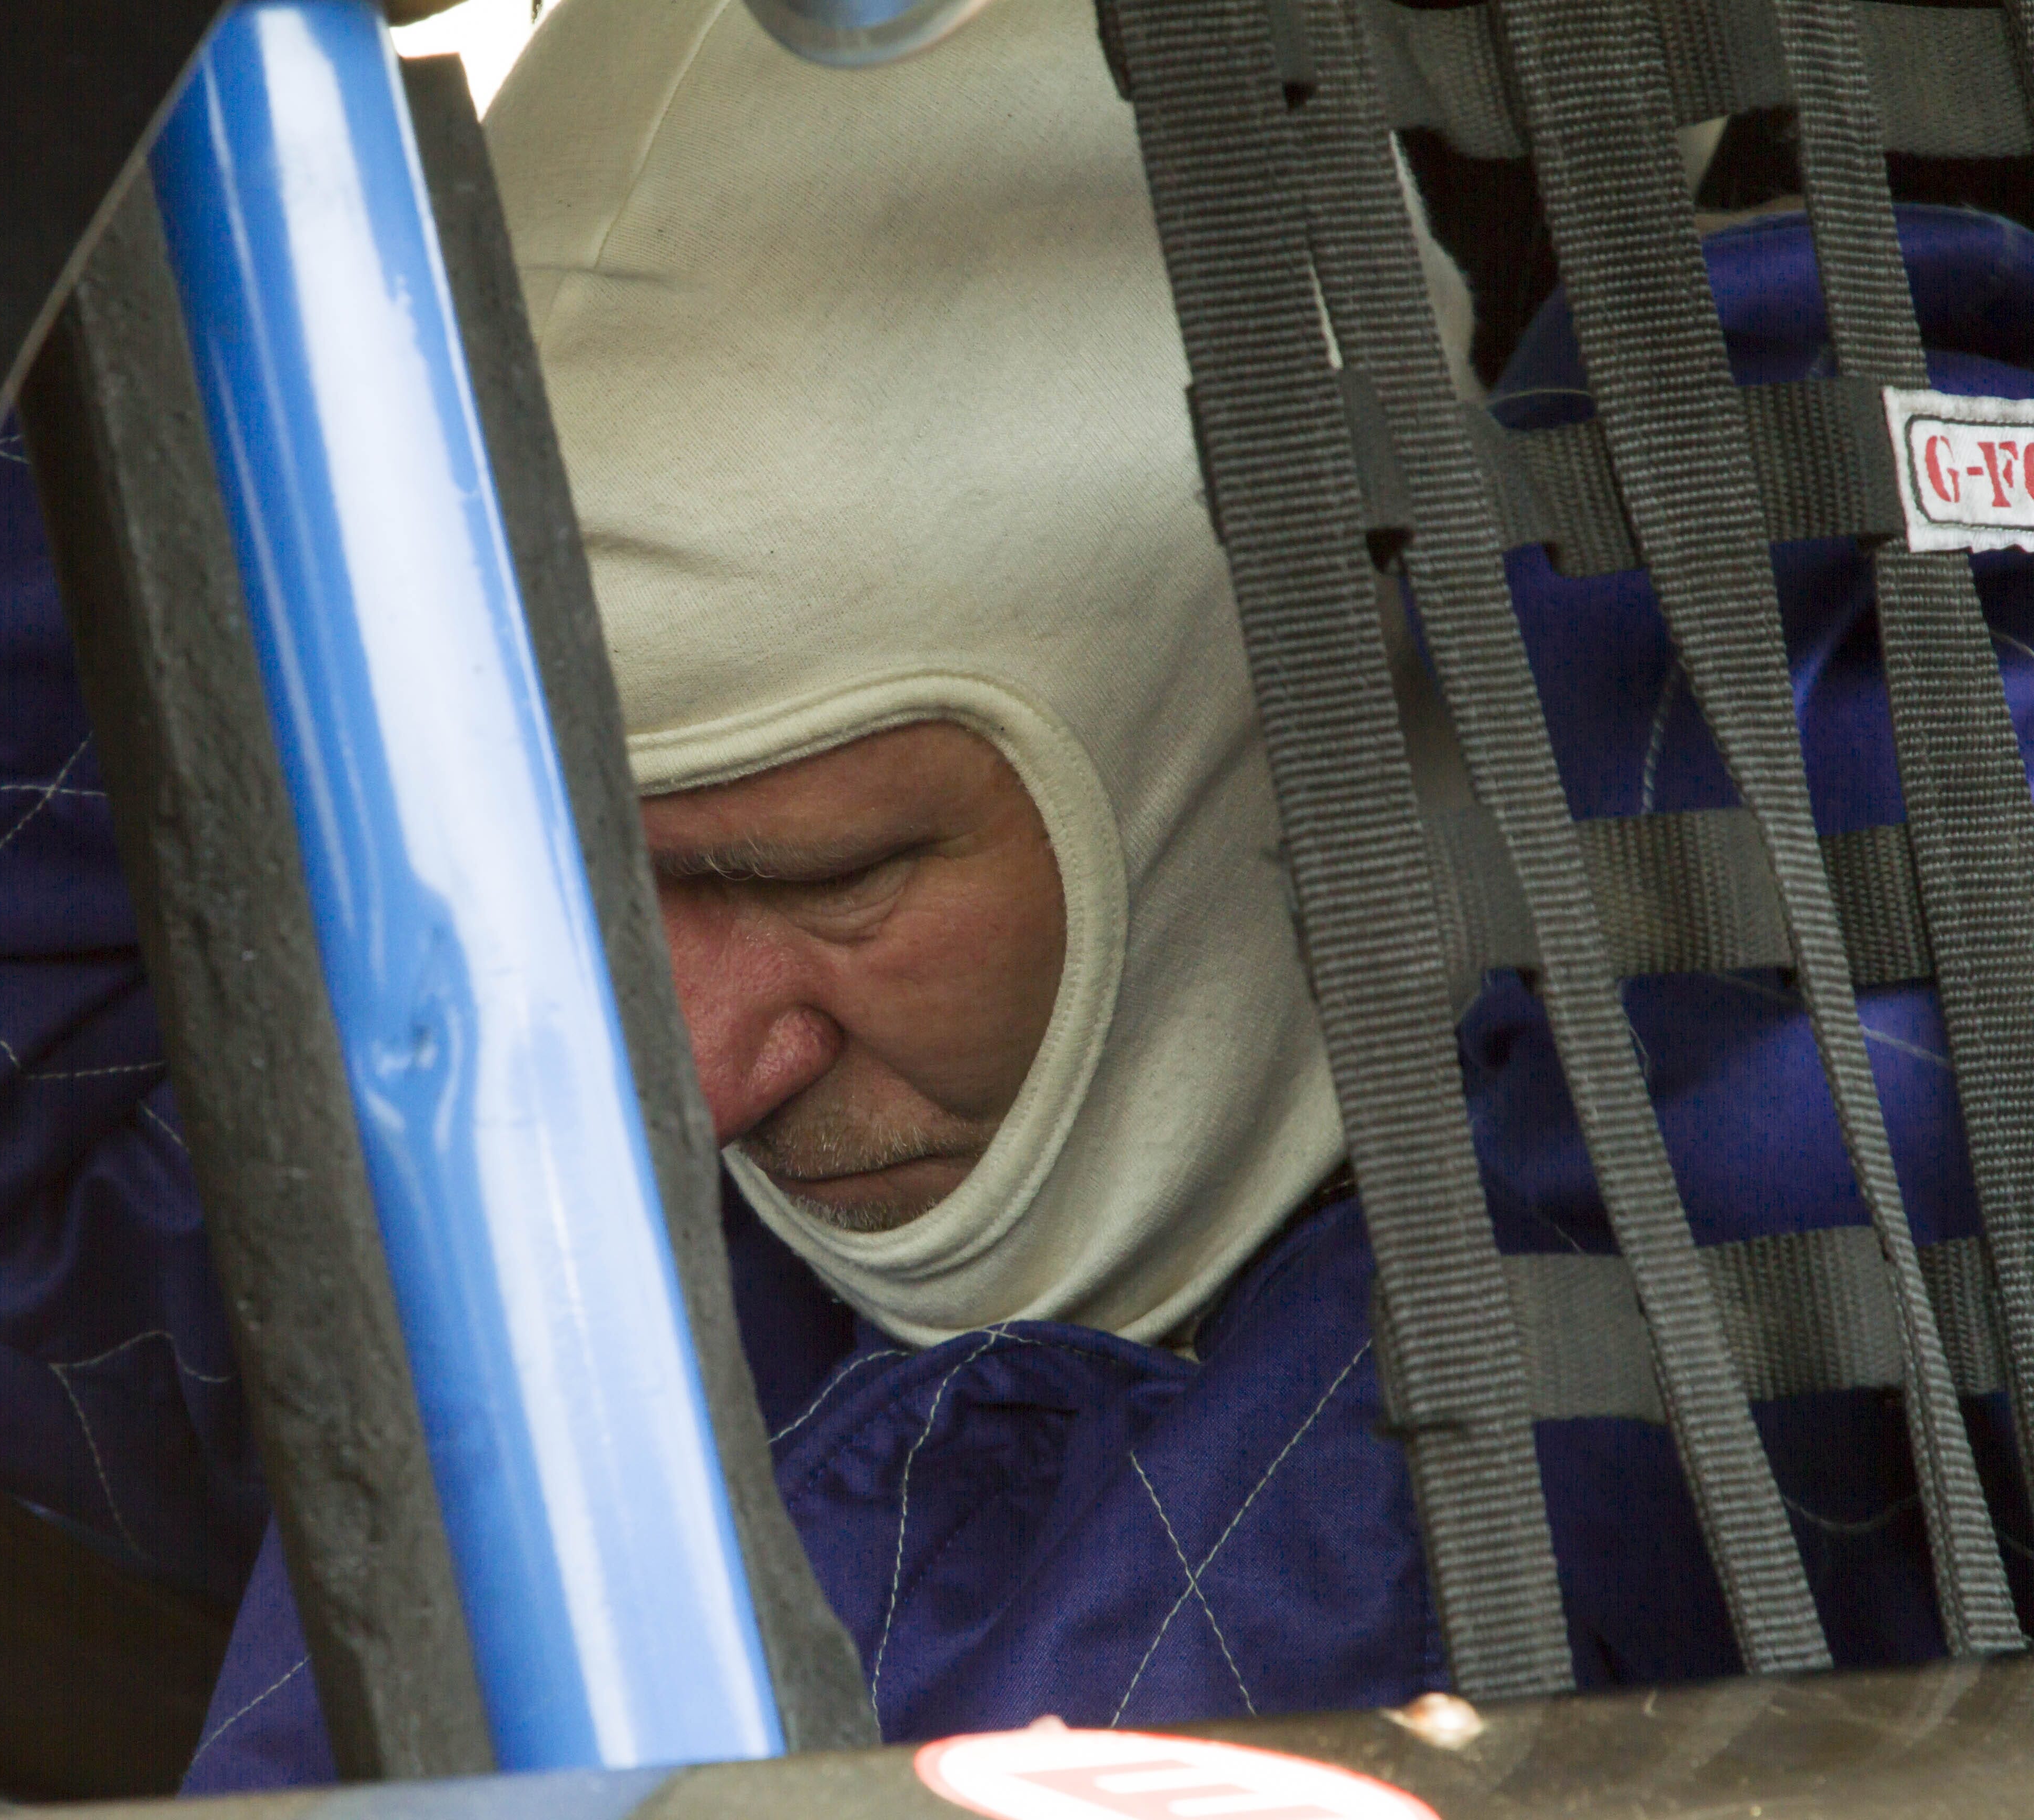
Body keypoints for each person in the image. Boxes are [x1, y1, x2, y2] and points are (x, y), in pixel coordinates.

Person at [182, 0, 2034, 1789]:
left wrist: (1769, 579)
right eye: (554, 879)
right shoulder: (503, 1273)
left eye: (822, 878)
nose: (700, 1077)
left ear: (1222, 710)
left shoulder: (1793, 1257)